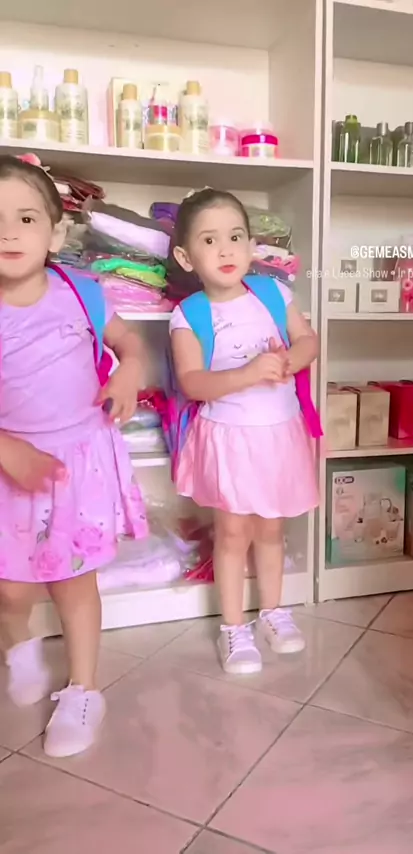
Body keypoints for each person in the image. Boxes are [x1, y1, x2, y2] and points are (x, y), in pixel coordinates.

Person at [0, 155, 148, 757]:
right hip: (8, 464)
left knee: (73, 581)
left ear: (55, 233)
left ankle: (84, 689)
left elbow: (129, 341)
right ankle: (18, 644)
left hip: (77, 463)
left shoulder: (81, 292)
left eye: (26, 218)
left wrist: (129, 369)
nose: (9, 233)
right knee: (12, 588)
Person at [170, 188, 319, 675]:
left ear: (252, 245)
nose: (226, 250)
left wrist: (289, 360)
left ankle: (273, 611)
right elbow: (193, 383)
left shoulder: (274, 294)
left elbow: (307, 340)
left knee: (272, 528)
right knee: (233, 533)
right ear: (186, 257)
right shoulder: (189, 314)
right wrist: (250, 372)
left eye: (235, 237)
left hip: (279, 432)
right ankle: (234, 627)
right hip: (229, 437)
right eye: (209, 240)